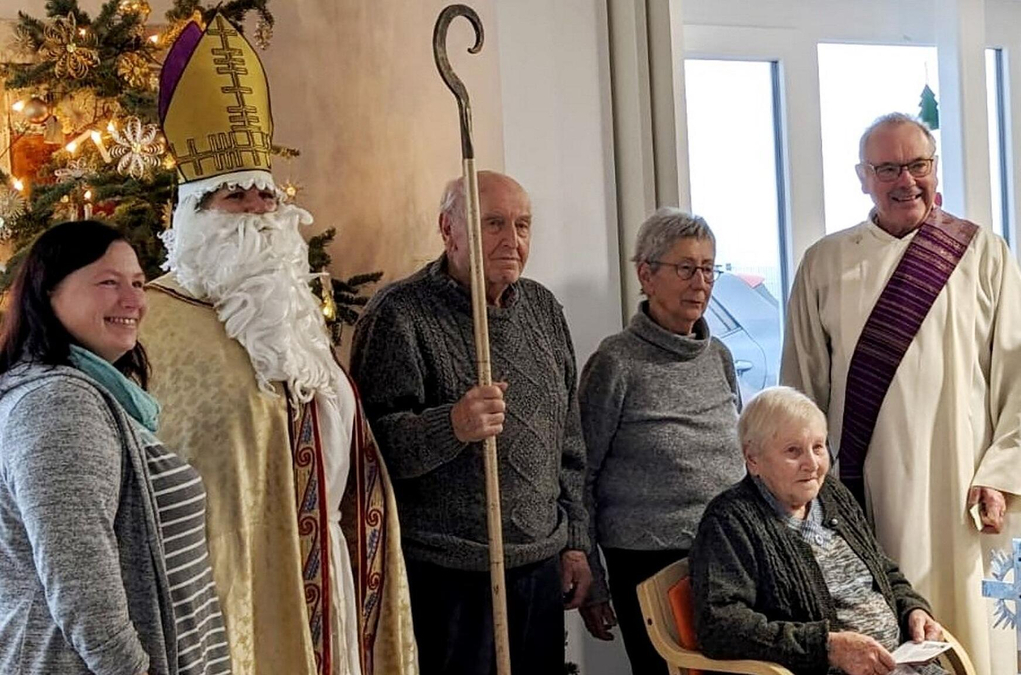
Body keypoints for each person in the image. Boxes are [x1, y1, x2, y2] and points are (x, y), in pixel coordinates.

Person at [139, 14, 416, 675]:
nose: (260, 213)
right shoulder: (149, 322)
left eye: (265, 195)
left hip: (329, 593)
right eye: (235, 197)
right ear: (196, 213)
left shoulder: (291, 319)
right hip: (225, 602)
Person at [779, 112, 1021, 674]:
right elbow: (801, 388)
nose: (906, 180)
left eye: (918, 165)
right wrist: (803, 488)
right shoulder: (824, 263)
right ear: (863, 177)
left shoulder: (982, 252)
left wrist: (1003, 471)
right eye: (887, 168)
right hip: (864, 487)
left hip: (964, 487)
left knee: (972, 635)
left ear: (935, 168)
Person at [350, 169, 592, 674]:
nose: (512, 240)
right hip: (448, 574)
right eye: (494, 224)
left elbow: (569, 444)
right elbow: (370, 450)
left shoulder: (543, 310)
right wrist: (452, 424)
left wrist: (574, 543)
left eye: (523, 225)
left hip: (539, 563)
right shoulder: (399, 315)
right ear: (448, 229)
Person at [0, 220, 230, 675]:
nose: (134, 301)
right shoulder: (56, 403)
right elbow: (81, 586)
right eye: (109, 282)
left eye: (139, 283)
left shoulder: (94, 393)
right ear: (50, 293)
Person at [578, 207, 744, 674]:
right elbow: (580, 472)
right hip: (648, 560)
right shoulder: (616, 363)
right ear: (646, 275)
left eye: (709, 269)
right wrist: (591, 577)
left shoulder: (720, 356)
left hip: (726, 551)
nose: (701, 282)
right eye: (686, 268)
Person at [690, 386, 946, 675]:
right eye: (793, 451)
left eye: (818, 447)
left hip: (904, 664)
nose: (811, 464)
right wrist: (828, 647)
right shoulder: (729, 521)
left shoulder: (832, 494)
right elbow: (719, 626)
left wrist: (914, 610)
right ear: (753, 459)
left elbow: (884, 572)